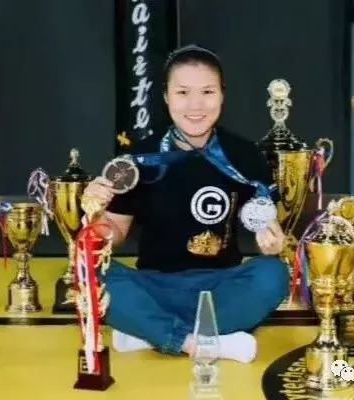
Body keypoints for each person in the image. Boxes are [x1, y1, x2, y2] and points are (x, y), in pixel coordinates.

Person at [82, 44, 289, 364]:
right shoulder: (138, 159)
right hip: (154, 286)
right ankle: (200, 342)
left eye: (207, 92)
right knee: (91, 274)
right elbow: (115, 233)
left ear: (222, 95)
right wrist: (95, 211)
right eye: (182, 92)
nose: (195, 105)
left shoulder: (244, 155)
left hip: (221, 288)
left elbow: (266, 223)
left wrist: (272, 241)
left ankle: (153, 332)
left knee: (273, 274)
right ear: (166, 97)